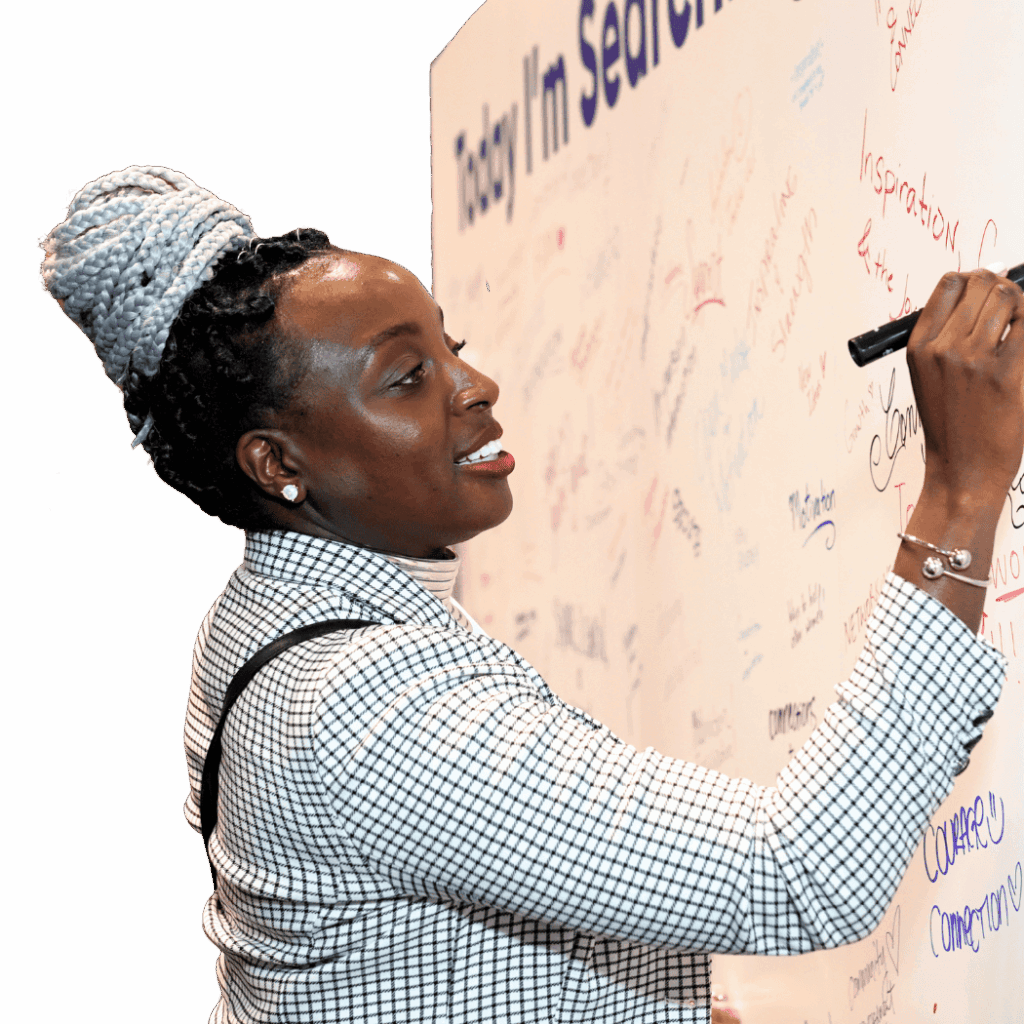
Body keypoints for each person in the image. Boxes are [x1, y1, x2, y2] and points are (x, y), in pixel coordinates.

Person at [42, 166, 1019, 1024]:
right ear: (279, 461)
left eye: (450, 344)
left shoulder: (274, 611)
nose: (476, 384)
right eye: (407, 375)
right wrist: (963, 490)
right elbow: (804, 871)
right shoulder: (362, 707)